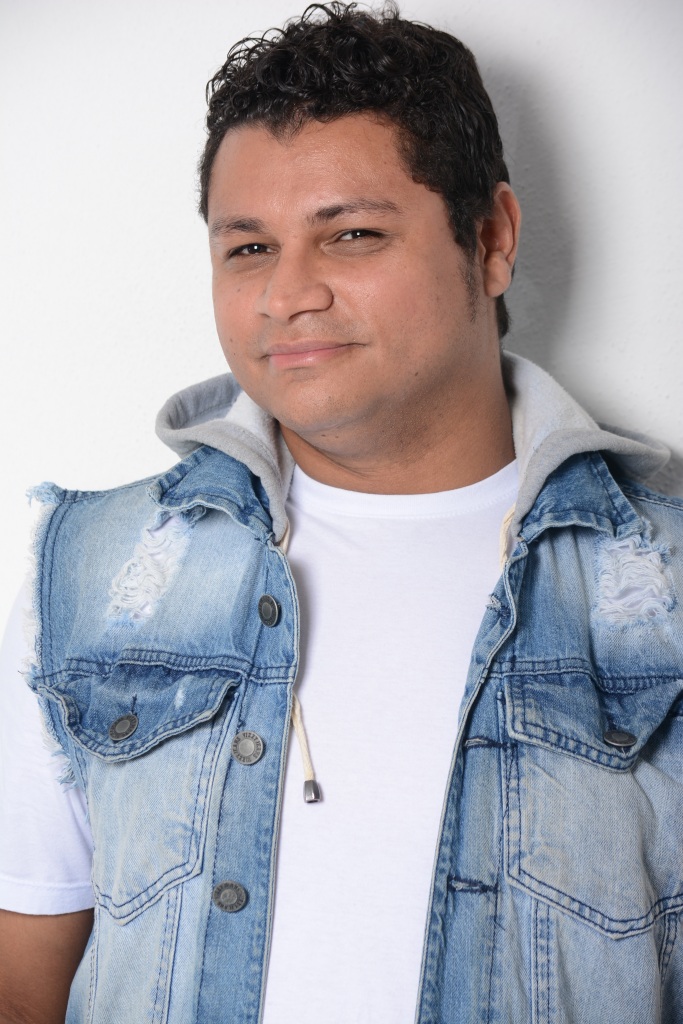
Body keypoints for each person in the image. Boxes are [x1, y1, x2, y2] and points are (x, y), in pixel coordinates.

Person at [0, 3, 681, 1022]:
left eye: (351, 235)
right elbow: (21, 977)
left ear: (490, 240)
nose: (287, 295)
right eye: (247, 248)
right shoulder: (100, 574)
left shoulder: (663, 588)